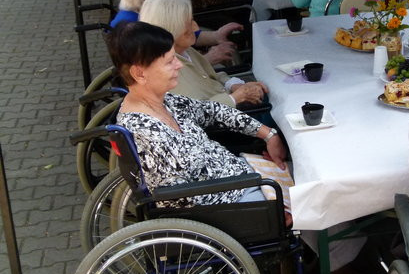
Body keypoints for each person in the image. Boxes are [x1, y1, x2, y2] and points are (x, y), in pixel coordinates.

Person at [108, 21, 288, 209]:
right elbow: (180, 199)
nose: (179, 65)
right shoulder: (145, 132)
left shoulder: (166, 101)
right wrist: (267, 204)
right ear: (139, 73)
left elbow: (212, 111)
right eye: (170, 61)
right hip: (232, 202)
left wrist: (268, 134)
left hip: (242, 176)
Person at [139, 0, 269, 108]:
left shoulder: (186, 51)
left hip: (230, 106)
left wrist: (233, 85)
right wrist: (236, 97)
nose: (196, 27)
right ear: (172, 27)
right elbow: (196, 112)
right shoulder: (165, 71)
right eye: (189, 22)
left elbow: (213, 76)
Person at [112, 0, 240, 64]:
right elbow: (161, 72)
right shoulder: (136, 30)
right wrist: (208, 59)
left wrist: (216, 36)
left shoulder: (134, 16)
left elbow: (184, 35)